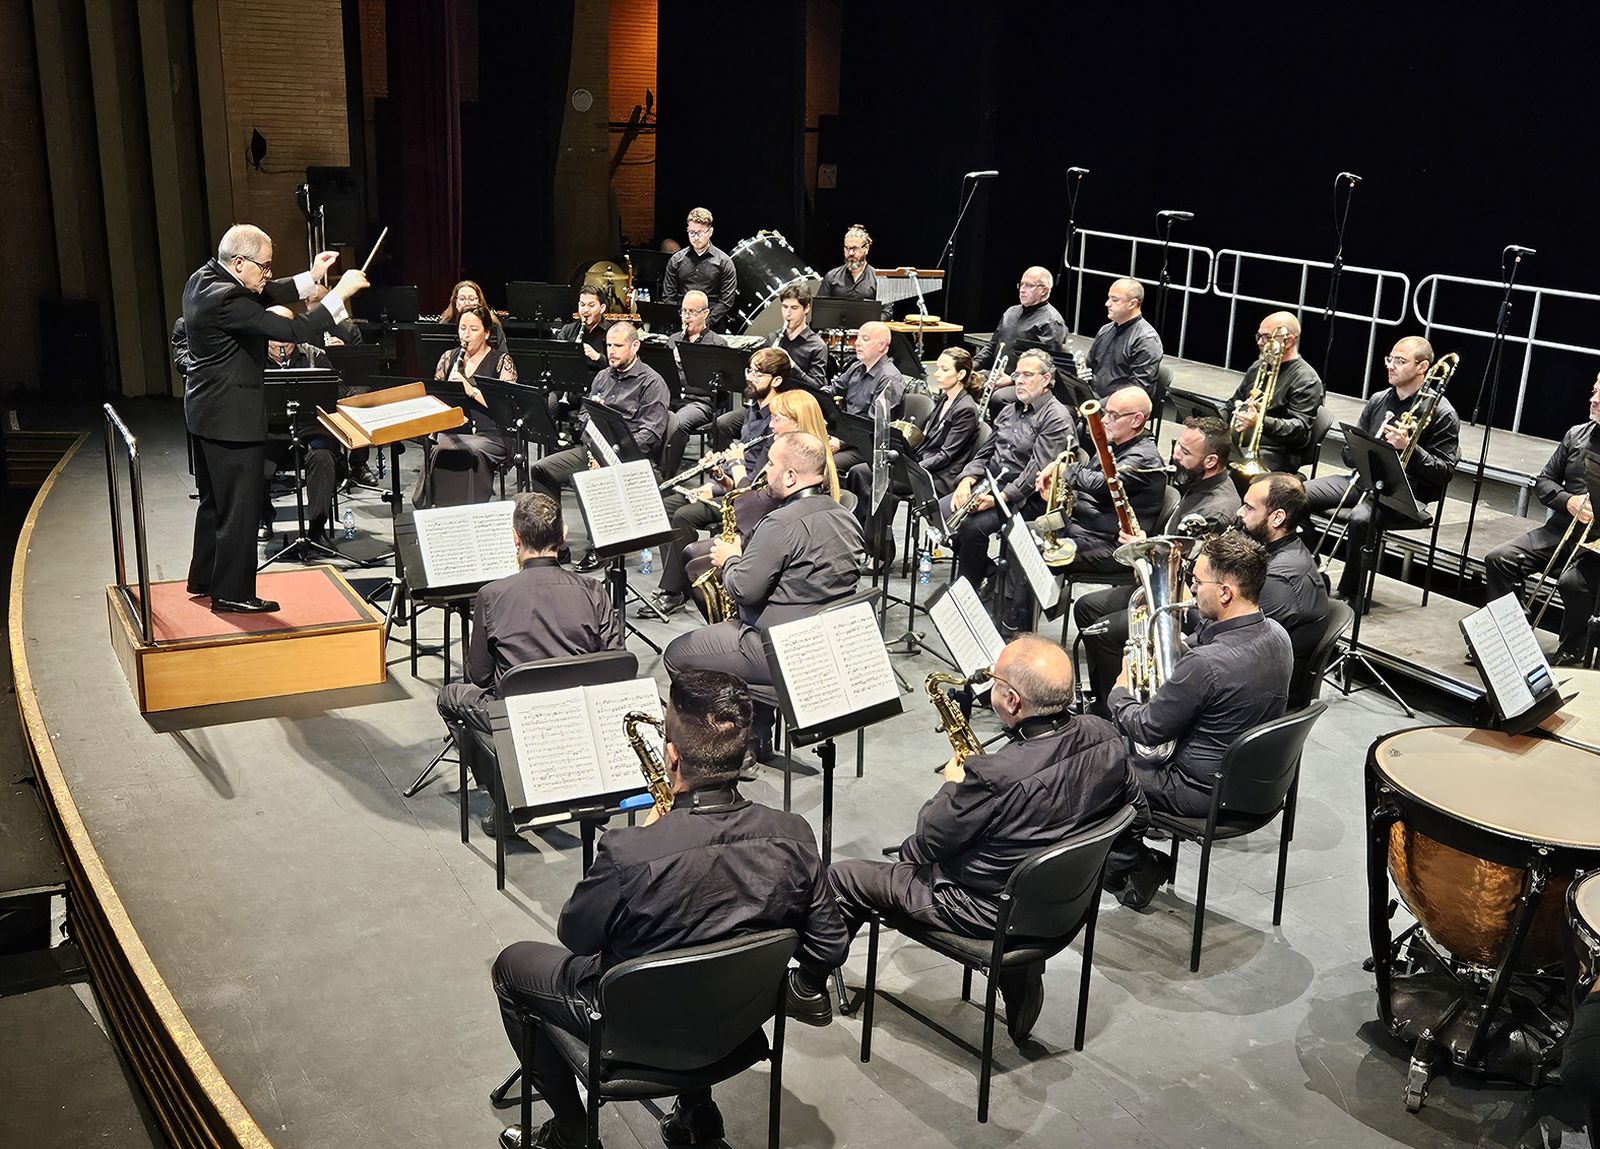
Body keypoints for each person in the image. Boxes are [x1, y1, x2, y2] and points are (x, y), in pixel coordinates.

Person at [490, 668, 848, 1149]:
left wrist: (647, 838)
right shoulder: (793, 834)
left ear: (672, 758)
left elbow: (575, 938)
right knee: (708, 944)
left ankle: (573, 1134)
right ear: (743, 757)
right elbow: (829, 943)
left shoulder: (630, 853)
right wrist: (797, 986)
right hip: (734, 1024)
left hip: (632, 1030)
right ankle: (698, 1113)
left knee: (512, 967)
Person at [821, 634, 1149, 1043]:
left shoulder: (995, 776)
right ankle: (1020, 975)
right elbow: (1137, 812)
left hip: (985, 911)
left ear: (1013, 701)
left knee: (841, 877)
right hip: (1066, 907)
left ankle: (807, 987)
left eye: (994, 679)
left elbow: (926, 844)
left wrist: (952, 785)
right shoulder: (1104, 734)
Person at [182, 223, 368, 613]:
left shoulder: (204, 279)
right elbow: (294, 328)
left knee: (214, 503)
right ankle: (232, 592)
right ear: (238, 262)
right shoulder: (227, 302)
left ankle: (204, 577)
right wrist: (338, 294)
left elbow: (264, 291)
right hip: (231, 419)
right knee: (239, 507)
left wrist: (312, 277)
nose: (267, 274)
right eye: (264, 266)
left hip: (205, 413)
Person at [1107, 533, 1294, 908]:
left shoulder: (1206, 665)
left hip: (1199, 790)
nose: (1190, 589)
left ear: (1225, 591)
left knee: (1099, 764)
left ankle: (1132, 864)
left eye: (1196, 581)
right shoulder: (1278, 635)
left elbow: (1146, 727)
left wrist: (1120, 692)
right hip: (1257, 787)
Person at [435, 493, 621, 834]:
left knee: (449, 697)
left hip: (520, 717)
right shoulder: (595, 590)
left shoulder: (492, 595)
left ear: (515, 538)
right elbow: (614, 662)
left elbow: (478, 676)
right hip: (579, 716)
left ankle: (507, 799)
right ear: (563, 535)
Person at [662, 432, 861, 690]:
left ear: (791, 476)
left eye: (770, 464)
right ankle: (758, 719)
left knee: (677, 654)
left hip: (782, 646)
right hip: (830, 640)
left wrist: (730, 558)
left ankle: (727, 725)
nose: (766, 471)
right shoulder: (846, 516)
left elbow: (743, 591)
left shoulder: (779, 523)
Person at [1075, 416, 1243, 708]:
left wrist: (1143, 550)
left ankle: (1120, 707)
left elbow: (1193, 577)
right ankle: (1105, 696)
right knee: (1086, 608)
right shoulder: (1194, 484)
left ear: (1211, 461)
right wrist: (1145, 542)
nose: (1174, 456)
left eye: (1185, 454)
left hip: (1181, 603)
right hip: (1160, 583)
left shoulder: (1216, 510)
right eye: (1178, 447)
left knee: (1103, 632)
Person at [652, 357, 836, 615]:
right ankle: (705, 607)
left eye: (777, 419)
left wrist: (736, 468)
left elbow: (754, 498)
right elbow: (752, 492)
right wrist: (719, 477)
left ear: (796, 423)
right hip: (753, 512)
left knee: (694, 552)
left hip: (767, 529)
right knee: (688, 547)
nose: (771, 424)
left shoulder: (795, 460)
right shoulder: (773, 438)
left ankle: (730, 618)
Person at [1304, 337, 1460, 604]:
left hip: (1404, 493)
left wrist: (1409, 448)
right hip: (1362, 480)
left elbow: (1443, 472)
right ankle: (1306, 571)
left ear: (1422, 367)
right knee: (1296, 494)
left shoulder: (1442, 413)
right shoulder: (1379, 400)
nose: (1391, 366)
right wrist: (1359, 448)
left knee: (1361, 519)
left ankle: (1351, 596)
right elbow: (1347, 456)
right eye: (1390, 359)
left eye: (1400, 361)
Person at [941, 350, 1073, 629]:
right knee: (942, 510)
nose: (1019, 381)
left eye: (1027, 375)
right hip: (994, 483)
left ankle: (967, 593)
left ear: (1047, 379)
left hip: (1028, 498)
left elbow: (1037, 469)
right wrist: (967, 480)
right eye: (1017, 375)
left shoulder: (1055, 418)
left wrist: (999, 498)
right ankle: (987, 571)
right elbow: (985, 452)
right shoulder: (1009, 410)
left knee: (972, 528)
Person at [527, 321, 670, 570]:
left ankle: (600, 548)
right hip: (594, 449)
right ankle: (554, 545)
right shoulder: (603, 377)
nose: (611, 351)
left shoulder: (651, 383)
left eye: (618, 346)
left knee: (594, 481)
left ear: (635, 346)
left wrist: (608, 454)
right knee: (542, 469)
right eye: (608, 346)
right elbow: (584, 415)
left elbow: (650, 435)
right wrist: (595, 448)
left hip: (629, 459)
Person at [1484, 375, 1600, 663]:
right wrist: (1568, 501)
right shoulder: (1577, 434)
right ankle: (1510, 637)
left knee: (1572, 582)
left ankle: (1573, 648)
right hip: (1560, 531)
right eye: (1595, 390)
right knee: (1499, 558)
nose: (1593, 399)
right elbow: (1544, 482)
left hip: (1596, 546)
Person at [848, 346, 982, 562]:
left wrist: (911, 466)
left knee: (884, 484)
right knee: (859, 472)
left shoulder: (965, 409)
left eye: (944, 369)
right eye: (937, 367)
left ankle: (881, 554)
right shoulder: (944, 399)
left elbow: (947, 455)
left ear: (961, 375)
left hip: (939, 475)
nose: (936, 373)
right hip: (923, 464)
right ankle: (863, 539)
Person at [1037, 385, 1167, 578]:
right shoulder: (1114, 443)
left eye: (1113, 415)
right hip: (1085, 527)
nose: (1104, 420)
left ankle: (1033, 607)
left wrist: (1064, 469)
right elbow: (1086, 476)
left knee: (1039, 555)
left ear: (1136, 420)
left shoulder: (1143, 457)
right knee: (1023, 535)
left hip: (1111, 544)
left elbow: (1101, 484)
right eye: (1106, 413)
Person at [413, 305, 518, 508]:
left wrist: (470, 390)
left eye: (474, 329)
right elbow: (434, 399)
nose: (466, 335)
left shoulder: (501, 361)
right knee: (440, 449)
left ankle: (470, 510)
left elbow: (507, 408)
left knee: (470, 452)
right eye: (462, 328)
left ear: (486, 333)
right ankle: (441, 511)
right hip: (454, 430)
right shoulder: (448, 358)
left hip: (491, 434)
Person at [260, 305, 338, 542]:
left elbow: (334, 398)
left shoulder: (315, 356)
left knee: (323, 456)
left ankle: (317, 525)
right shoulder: (251, 360)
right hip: (270, 432)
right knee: (253, 462)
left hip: (310, 428)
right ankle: (263, 518)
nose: (282, 341)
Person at [1233, 473, 1331, 657]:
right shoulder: (1285, 548)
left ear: (1277, 518)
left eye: (1248, 508)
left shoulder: (1277, 580)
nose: (1239, 512)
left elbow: (1234, 639)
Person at [1228, 312, 1324, 473]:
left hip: (1278, 452)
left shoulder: (1307, 379)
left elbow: (1299, 430)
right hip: (1243, 442)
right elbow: (1233, 403)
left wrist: (1259, 421)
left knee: (1234, 476)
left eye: (1267, 337)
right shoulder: (1258, 366)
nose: (1260, 342)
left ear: (1289, 341)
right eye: (1258, 336)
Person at [662, 289, 733, 464]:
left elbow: (723, 388)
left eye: (692, 312)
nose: (687, 317)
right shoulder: (673, 340)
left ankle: (666, 474)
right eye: (684, 311)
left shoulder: (717, 344)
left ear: (705, 314)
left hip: (701, 402)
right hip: (673, 398)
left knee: (678, 423)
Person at [825, 320, 905, 474]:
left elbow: (873, 424)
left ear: (882, 346)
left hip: (870, 445)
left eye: (865, 339)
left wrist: (840, 442)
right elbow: (833, 389)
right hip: (848, 435)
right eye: (858, 337)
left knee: (826, 464)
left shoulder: (889, 378)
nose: (857, 343)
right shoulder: (857, 367)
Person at [970, 265, 1068, 374]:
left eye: (1029, 285)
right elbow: (992, 345)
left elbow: (1046, 366)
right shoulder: (1010, 312)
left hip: (1022, 383)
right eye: (1021, 284)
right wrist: (972, 365)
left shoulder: (1052, 321)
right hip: (996, 374)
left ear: (1044, 291)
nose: (1022, 290)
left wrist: (1012, 380)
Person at [1080, 278, 1163, 399]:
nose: (1107, 303)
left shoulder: (1146, 340)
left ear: (1132, 304)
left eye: (1114, 300)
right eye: (1109, 298)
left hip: (1119, 407)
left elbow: (1138, 389)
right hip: (1093, 397)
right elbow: (1089, 366)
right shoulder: (1105, 330)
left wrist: (1099, 405)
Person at [662, 207, 738, 330]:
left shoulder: (724, 262)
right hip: (681, 322)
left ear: (710, 232)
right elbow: (668, 297)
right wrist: (684, 320)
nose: (696, 237)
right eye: (692, 232)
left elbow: (726, 301)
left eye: (700, 233)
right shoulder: (676, 260)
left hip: (712, 325)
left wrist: (705, 323)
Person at [765, 282, 830, 388]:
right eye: (785, 307)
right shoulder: (773, 338)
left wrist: (792, 366)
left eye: (794, 308)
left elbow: (816, 386)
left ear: (806, 308)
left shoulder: (817, 346)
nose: (788, 313)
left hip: (799, 402)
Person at [817, 223, 879, 304]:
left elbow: (886, 311)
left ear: (866, 248)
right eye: (847, 248)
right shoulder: (831, 276)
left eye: (855, 248)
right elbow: (820, 307)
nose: (851, 253)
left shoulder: (878, 279)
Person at [439, 279, 506, 346]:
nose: (467, 303)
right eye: (462, 299)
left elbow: (503, 352)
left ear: (479, 301)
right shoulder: (446, 323)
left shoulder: (492, 324)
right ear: (455, 302)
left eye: (471, 299)